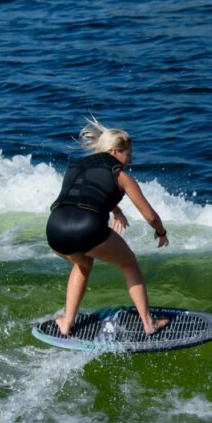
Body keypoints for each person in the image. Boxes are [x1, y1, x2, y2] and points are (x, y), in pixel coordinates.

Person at [45, 118, 170, 336]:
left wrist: (117, 212)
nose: (128, 160)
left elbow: (88, 192)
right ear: (115, 152)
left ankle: (66, 323)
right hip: (87, 227)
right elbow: (150, 216)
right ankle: (149, 323)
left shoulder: (75, 166)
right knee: (129, 262)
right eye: (127, 155)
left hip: (55, 228)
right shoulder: (121, 176)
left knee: (83, 263)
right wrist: (161, 232)